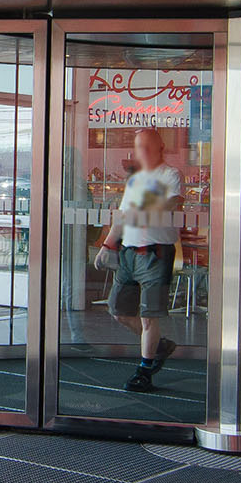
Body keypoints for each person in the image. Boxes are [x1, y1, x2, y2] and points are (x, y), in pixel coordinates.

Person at [93, 129, 183, 392]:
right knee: (119, 311)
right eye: (137, 146)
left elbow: (171, 203)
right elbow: (122, 216)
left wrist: (142, 210)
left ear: (159, 148)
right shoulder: (134, 182)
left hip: (156, 252)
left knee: (148, 316)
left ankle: (144, 370)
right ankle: (159, 346)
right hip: (130, 252)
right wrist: (108, 245)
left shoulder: (170, 174)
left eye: (146, 146)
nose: (140, 151)